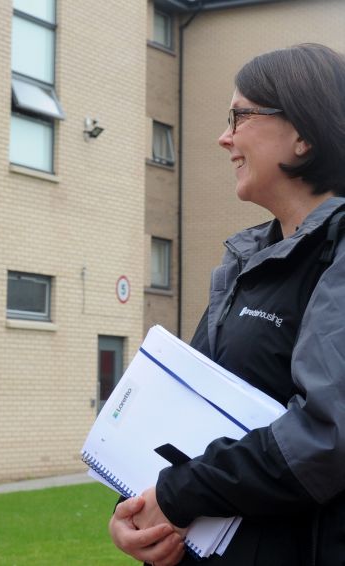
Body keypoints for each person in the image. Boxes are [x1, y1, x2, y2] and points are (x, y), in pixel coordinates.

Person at [109, 43, 345, 566]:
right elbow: (179, 408)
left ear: (304, 133)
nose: (224, 137)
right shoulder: (245, 260)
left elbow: (325, 438)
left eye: (239, 117)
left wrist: (175, 495)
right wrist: (137, 507)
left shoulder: (338, 251)